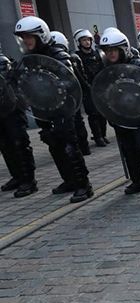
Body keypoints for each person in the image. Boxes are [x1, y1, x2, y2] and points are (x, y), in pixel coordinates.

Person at [13, 16, 93, 203]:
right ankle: (69, 181)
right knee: (54, 146)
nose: (26, 41)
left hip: (63, 109)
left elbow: (69, 82)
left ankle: (83, 185)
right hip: (43, 109)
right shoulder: (28, 59)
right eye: (23, 38)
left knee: (69, 147)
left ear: (41, 35)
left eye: (29, 37)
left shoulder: (59, 55)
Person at [97, 29, 140, 204]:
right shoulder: (106, 69)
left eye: (114, 49)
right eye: (107, 50)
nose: (110, 53)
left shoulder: (139, 65)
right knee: (129, 150)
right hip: (121, 115)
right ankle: (138, 181)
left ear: (123, 49)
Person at [0, 53, 37, 198]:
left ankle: (29, 180)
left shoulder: (4, 62)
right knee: (5, 146)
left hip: (12, 111)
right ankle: (17, 176)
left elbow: (11, 87)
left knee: (19, 145)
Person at [51, 31, 92, 157]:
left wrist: (85, 90)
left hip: (70, 97)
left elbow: (79, 77)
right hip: (61, 98)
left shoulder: (71, 59)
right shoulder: (49, 60)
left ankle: (83, 146)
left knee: (77, 122)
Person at [73, 28, 109, 148]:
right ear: (79, 42)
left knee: (102, 113)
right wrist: (87, 86)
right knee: (93, 114)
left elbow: (104, 69)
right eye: (84, 40)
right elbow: (78, 74)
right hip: (87, 89)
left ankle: (103, 135)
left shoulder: (98, 54)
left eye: (88, 40)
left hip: (100, 88)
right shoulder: (77, 56)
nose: (87, 42)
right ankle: (97, 137)